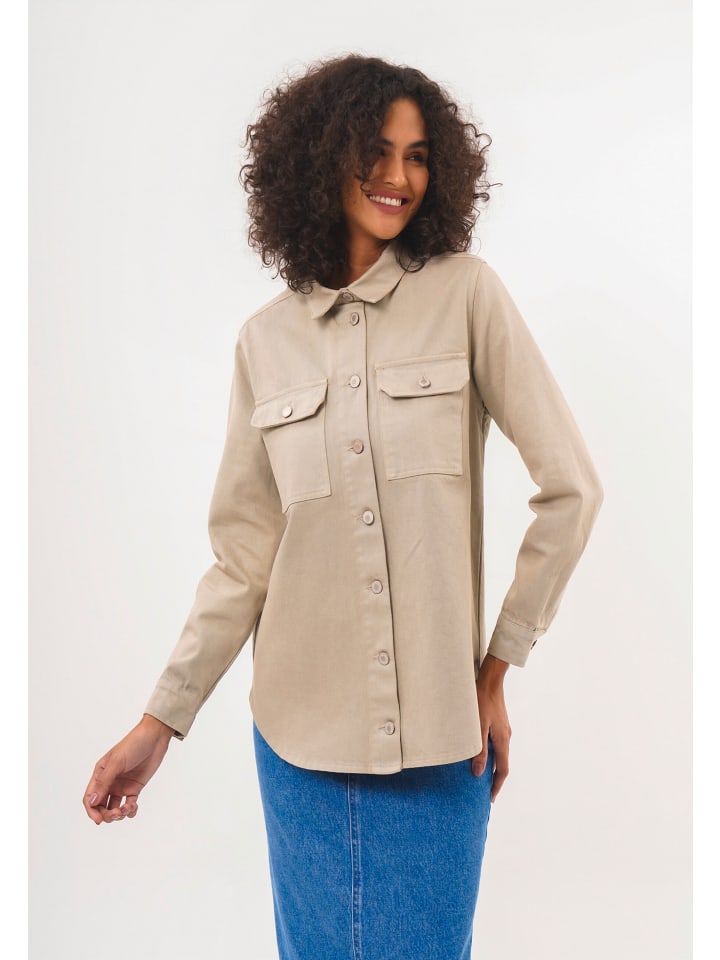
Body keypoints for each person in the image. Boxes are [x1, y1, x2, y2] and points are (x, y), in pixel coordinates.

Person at [83, 54, 603, 960]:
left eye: (418, 155)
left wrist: (495, 669)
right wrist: (160, 721)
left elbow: (573, 490)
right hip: (299, 750)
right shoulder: (264, 344)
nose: (399, 176)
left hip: (441, 744)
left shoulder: (467, 295)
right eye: (376, 151)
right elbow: (244, 560)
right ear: (320, 158)